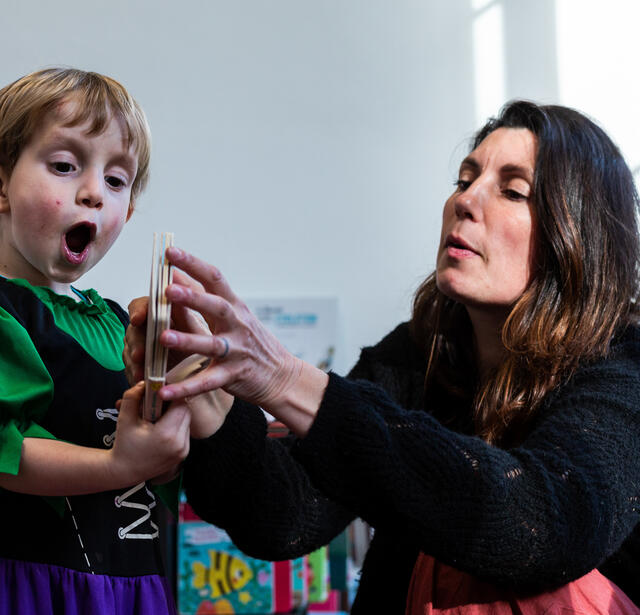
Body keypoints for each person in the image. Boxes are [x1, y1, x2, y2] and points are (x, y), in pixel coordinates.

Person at [125, 101, 640, 613]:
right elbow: (287, 515)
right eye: (464, 180)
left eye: (512, 191)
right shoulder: (419, 352)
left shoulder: (623, 370)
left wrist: (286, 380)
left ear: (576, 235)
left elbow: (542, 525)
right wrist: (206, 392)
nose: (466, 201)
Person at [0, 68, 191, 615]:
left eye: (116, 181)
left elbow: (151, 459)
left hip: (135, 586)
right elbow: (7, 451)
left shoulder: (117, 322)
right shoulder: (7, 312)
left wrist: (168, 447)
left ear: (127, 213)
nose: (93, 193)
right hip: (38, 587)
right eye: (64, 166)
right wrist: (119, 468)